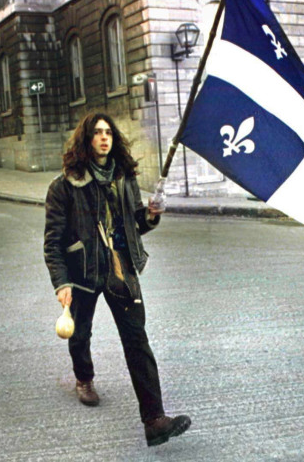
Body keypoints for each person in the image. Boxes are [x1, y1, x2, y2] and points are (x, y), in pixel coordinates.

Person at [43, 112, 191, 447]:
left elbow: (132, 224)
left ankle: (154, 420)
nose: (104, 138)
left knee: (137, 340)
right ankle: (84, 377)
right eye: (97, 133)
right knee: (79, 332)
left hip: (119, 268)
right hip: (82, 271)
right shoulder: (64, 185)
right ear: (86, 139)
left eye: (108, 132)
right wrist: (61, 282)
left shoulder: (122, 177)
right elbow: (52, 241)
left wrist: (150, 215)